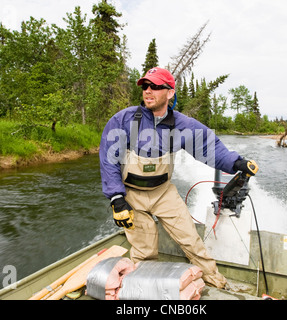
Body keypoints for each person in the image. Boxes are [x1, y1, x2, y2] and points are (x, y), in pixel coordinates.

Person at [99, 67, 258, 289]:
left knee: (191, 241)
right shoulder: (123, 120)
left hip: (163, 192)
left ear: (170, 92)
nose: (148, 91)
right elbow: (108, 160)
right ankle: (144, 290)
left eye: (155, 86)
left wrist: (236, 163)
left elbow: (209, 147)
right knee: (144, 250)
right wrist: (116, 198)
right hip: (131, 194)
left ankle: (217, 282)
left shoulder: (183, 125)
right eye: (145, 86)